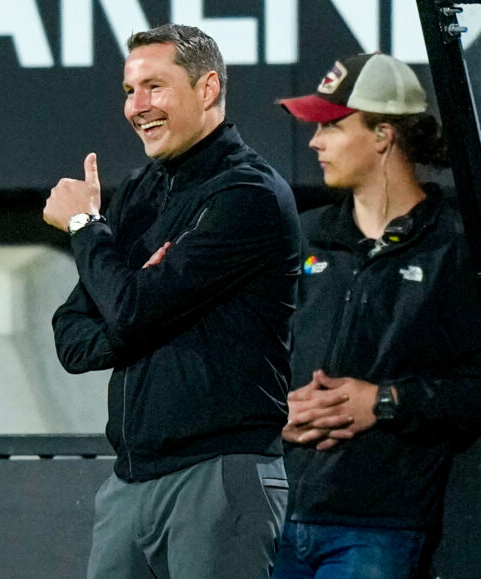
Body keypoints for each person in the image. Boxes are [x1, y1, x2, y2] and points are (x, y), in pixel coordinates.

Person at [43, 24, 300, 578]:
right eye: (129, 91)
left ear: (207, 88)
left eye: (154, 87)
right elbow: (71, 335)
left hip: (218, 475)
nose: (138, 107)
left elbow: (129, 308)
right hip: (129, 483)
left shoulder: (248, 194)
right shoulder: (140, 190)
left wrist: (87, 226)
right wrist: (139, 305)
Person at [274, 53, 481, 578]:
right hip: (276, 513)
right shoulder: (304, 234)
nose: (315, 142)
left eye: (332, 126)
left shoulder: (454, 245)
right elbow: (246, 356)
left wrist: (385, 401)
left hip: (380, 525)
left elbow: (475, 384)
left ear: (384, 134)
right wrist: (275, 413)